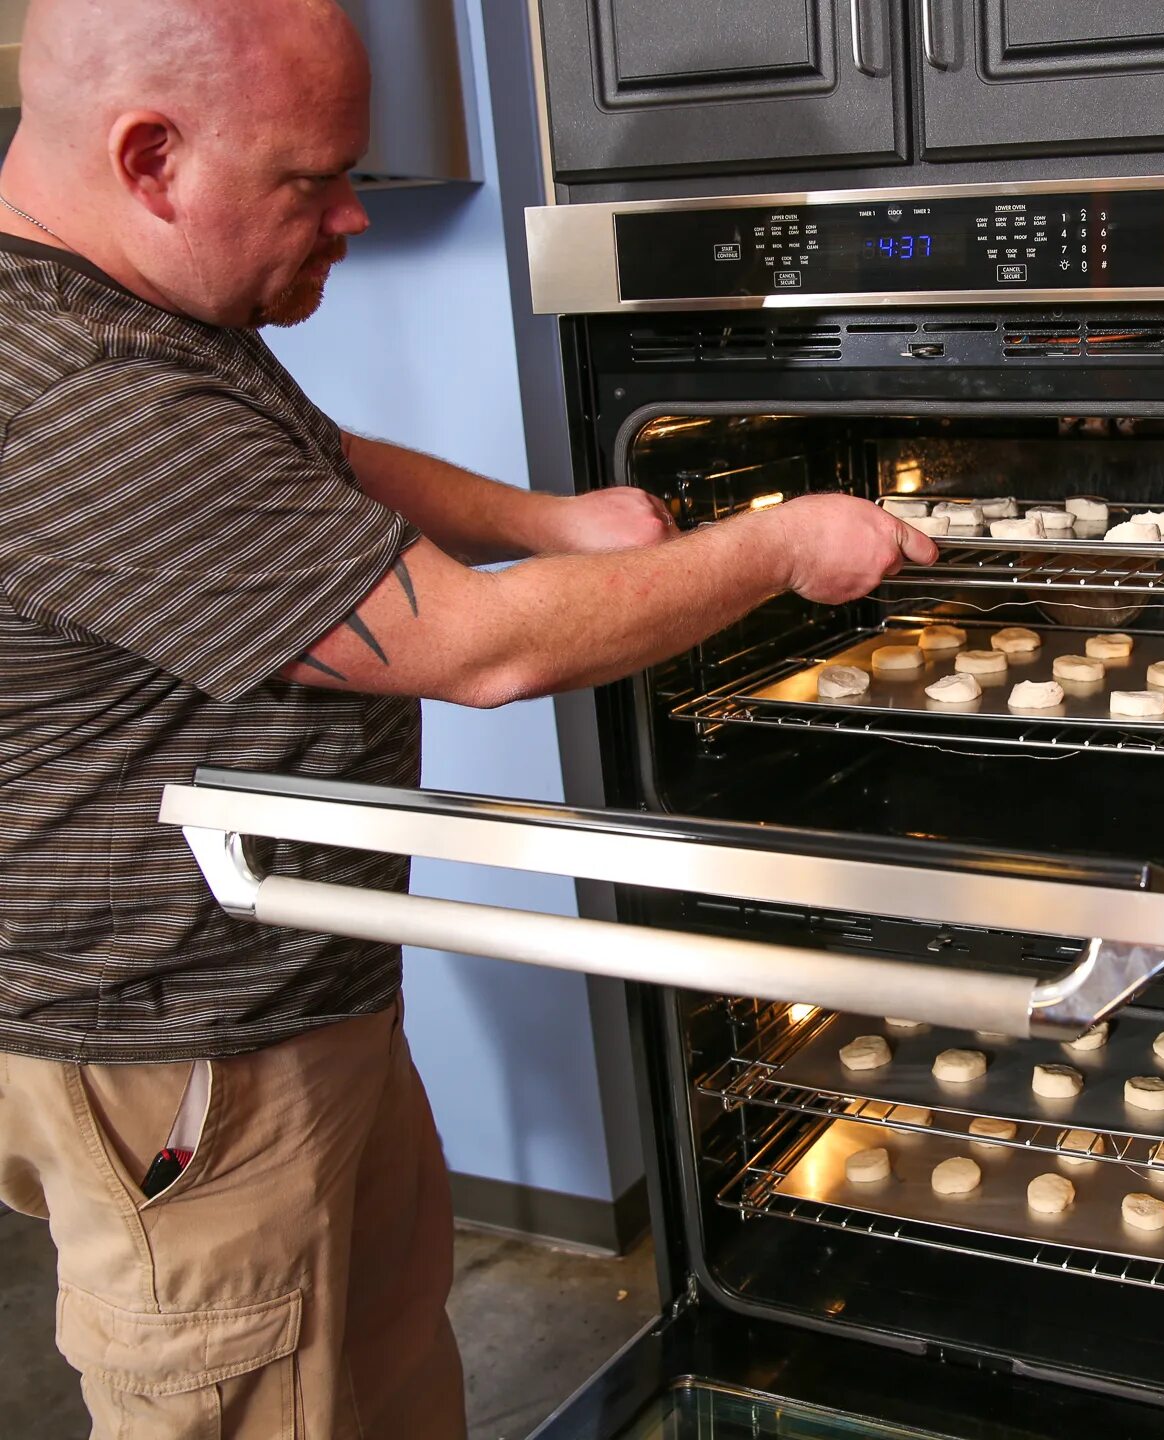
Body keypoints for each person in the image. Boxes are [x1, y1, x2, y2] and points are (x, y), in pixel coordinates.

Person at [0, 2, 935, 1435]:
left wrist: (551, 521)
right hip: (184, 1061)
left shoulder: (123, 303)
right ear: (150, 158)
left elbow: (321, 461)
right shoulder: (77, 397)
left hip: (299, 997)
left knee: (383, 1385)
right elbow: (470, 650)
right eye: (310, 180)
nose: (352, 218)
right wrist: (777, 545)